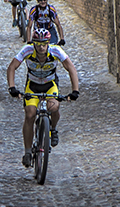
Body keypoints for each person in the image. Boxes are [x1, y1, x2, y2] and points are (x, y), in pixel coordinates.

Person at [7, 27, 80, 167]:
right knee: (30, 114)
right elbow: (12, 67)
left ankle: (53, 129)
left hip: (50, 85)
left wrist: (75, 91)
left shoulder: (56, 51)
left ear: (48, 43)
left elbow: (71, 68)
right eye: (38, 44)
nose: (41, 47)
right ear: (34, 43)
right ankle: (28, 152)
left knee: (54, 106)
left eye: (44, 43)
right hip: (32, 86)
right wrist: (12, 88)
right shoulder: (27, 50)